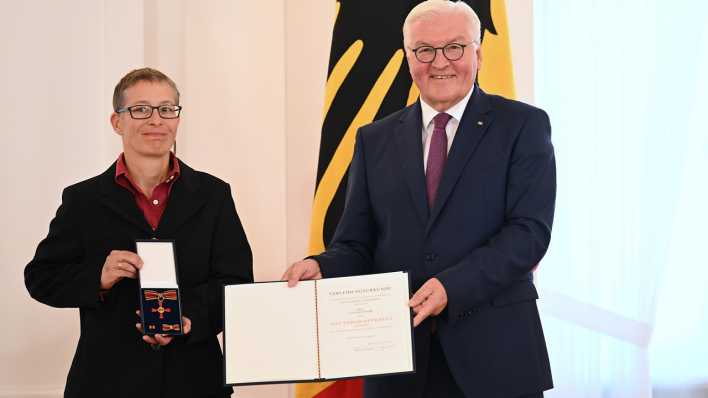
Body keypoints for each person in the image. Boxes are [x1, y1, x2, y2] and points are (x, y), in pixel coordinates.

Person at [282, 1, 555, 397]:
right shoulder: (373, 139)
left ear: (478, 53)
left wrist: (452, 286)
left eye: (455, 47)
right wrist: (320, 266)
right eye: (424, 50)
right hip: (398, 361)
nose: (439, 61)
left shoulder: (523, 125)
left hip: (496, 358)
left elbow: (529, 233)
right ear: (408, 57)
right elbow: (356, 244)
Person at [25, 67, 253, 398]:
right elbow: (41, 278)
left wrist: (190, 319)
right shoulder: (83, 200)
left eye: (167, 109)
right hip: (107, 382)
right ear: (117, 122)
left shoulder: (213, 195)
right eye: (141, 109)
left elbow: (236, 283)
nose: (156, 120)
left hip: (195, 380)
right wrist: (98, 278)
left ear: (177, 119)